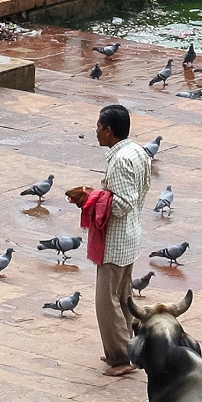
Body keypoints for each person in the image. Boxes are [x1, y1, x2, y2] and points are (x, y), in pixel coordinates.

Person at [68, 103, 151, 377]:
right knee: (123, 296)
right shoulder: (138, 151)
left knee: (107, 301)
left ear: (109, 131)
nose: (96, 132)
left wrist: (94, 199)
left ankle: (121, 357)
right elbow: (141, 191)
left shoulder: (120, 161)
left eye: (98, 128)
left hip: (116, 240)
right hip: (131, 234)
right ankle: (125, 349)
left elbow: (121, 204)